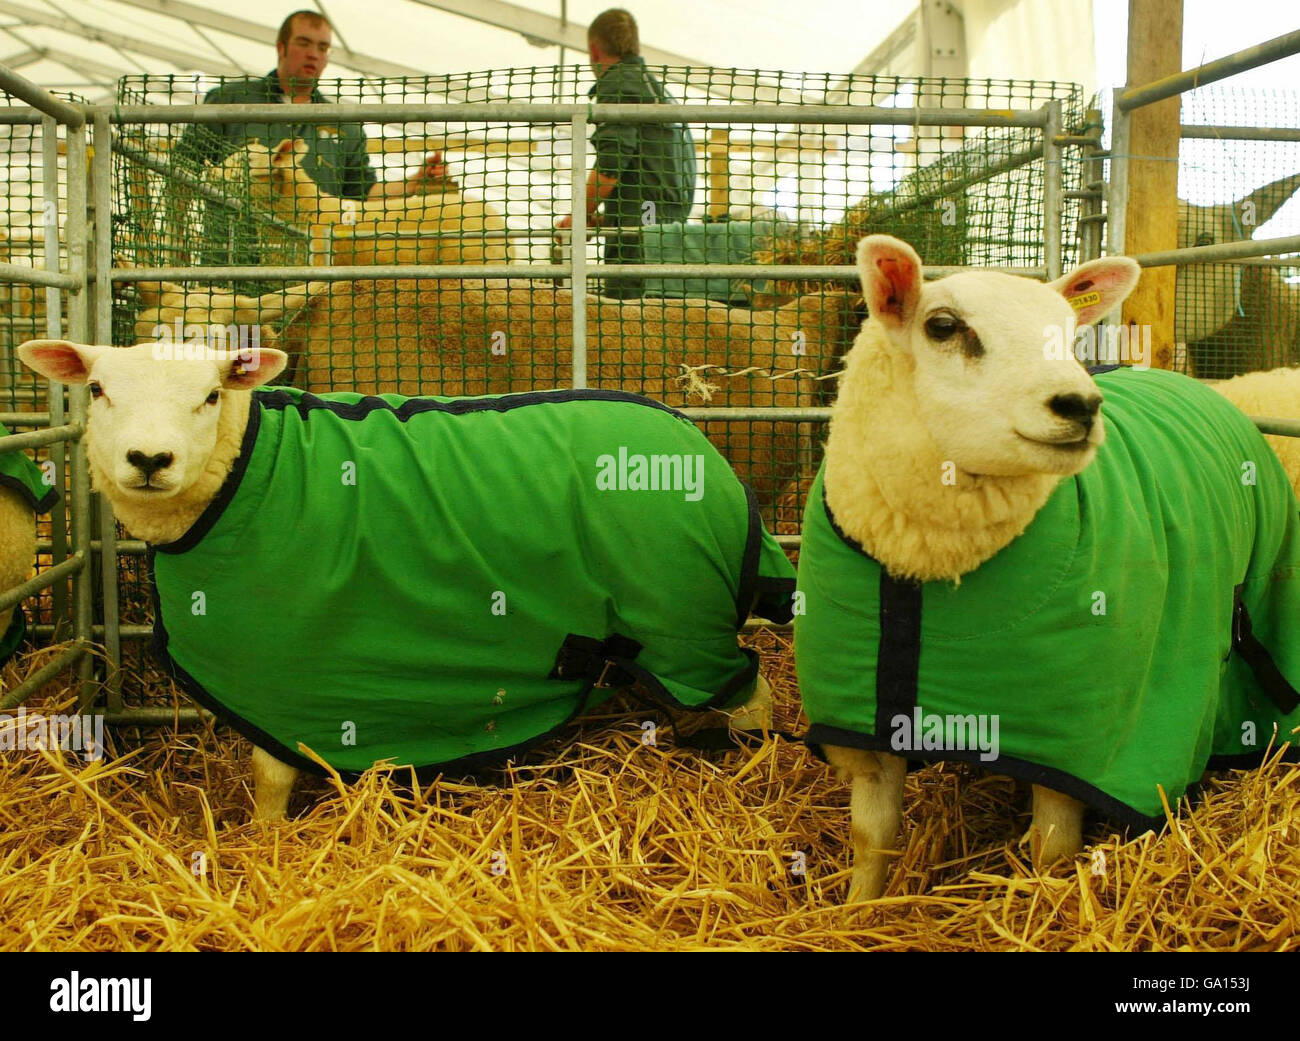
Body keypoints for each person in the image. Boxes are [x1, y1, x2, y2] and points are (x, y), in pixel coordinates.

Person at [171, 10, 445, 267]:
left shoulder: (345, 125)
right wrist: (176, 239)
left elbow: (360, 192)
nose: (313, 54)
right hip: (230, 260)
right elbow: (183, 170)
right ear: (281, 48)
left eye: (322, 48)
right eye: (304, 43)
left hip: (310, 265)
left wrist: (412, 183)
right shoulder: (230, 101)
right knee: (240, 322)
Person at [556, 9, 696, 299]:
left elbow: (612, 162)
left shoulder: (619, 83)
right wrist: (608, 220)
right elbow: (650, 175)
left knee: (629, 316)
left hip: (643, 228)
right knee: (657, 305)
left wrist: (580, 215)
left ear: (594, 49)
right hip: (663, 222)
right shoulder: (654, 87)